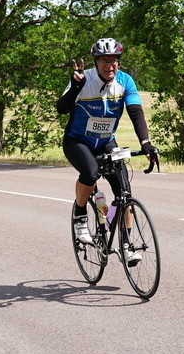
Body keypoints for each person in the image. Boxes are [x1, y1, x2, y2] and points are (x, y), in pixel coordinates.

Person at [57, 38, 157, 266]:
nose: (109, 65)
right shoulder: (84, 79)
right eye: (104, 60)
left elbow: (136, 113)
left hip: (105, 142)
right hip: (77, 141)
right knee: (91, 174)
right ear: (96, 62)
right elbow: (61, 109)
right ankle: (80, 215)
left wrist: (146, 143)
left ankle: (126, 245)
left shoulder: (125, 82)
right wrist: (74, 89)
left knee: (124, 192)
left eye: (113, 60)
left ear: (118, 62)